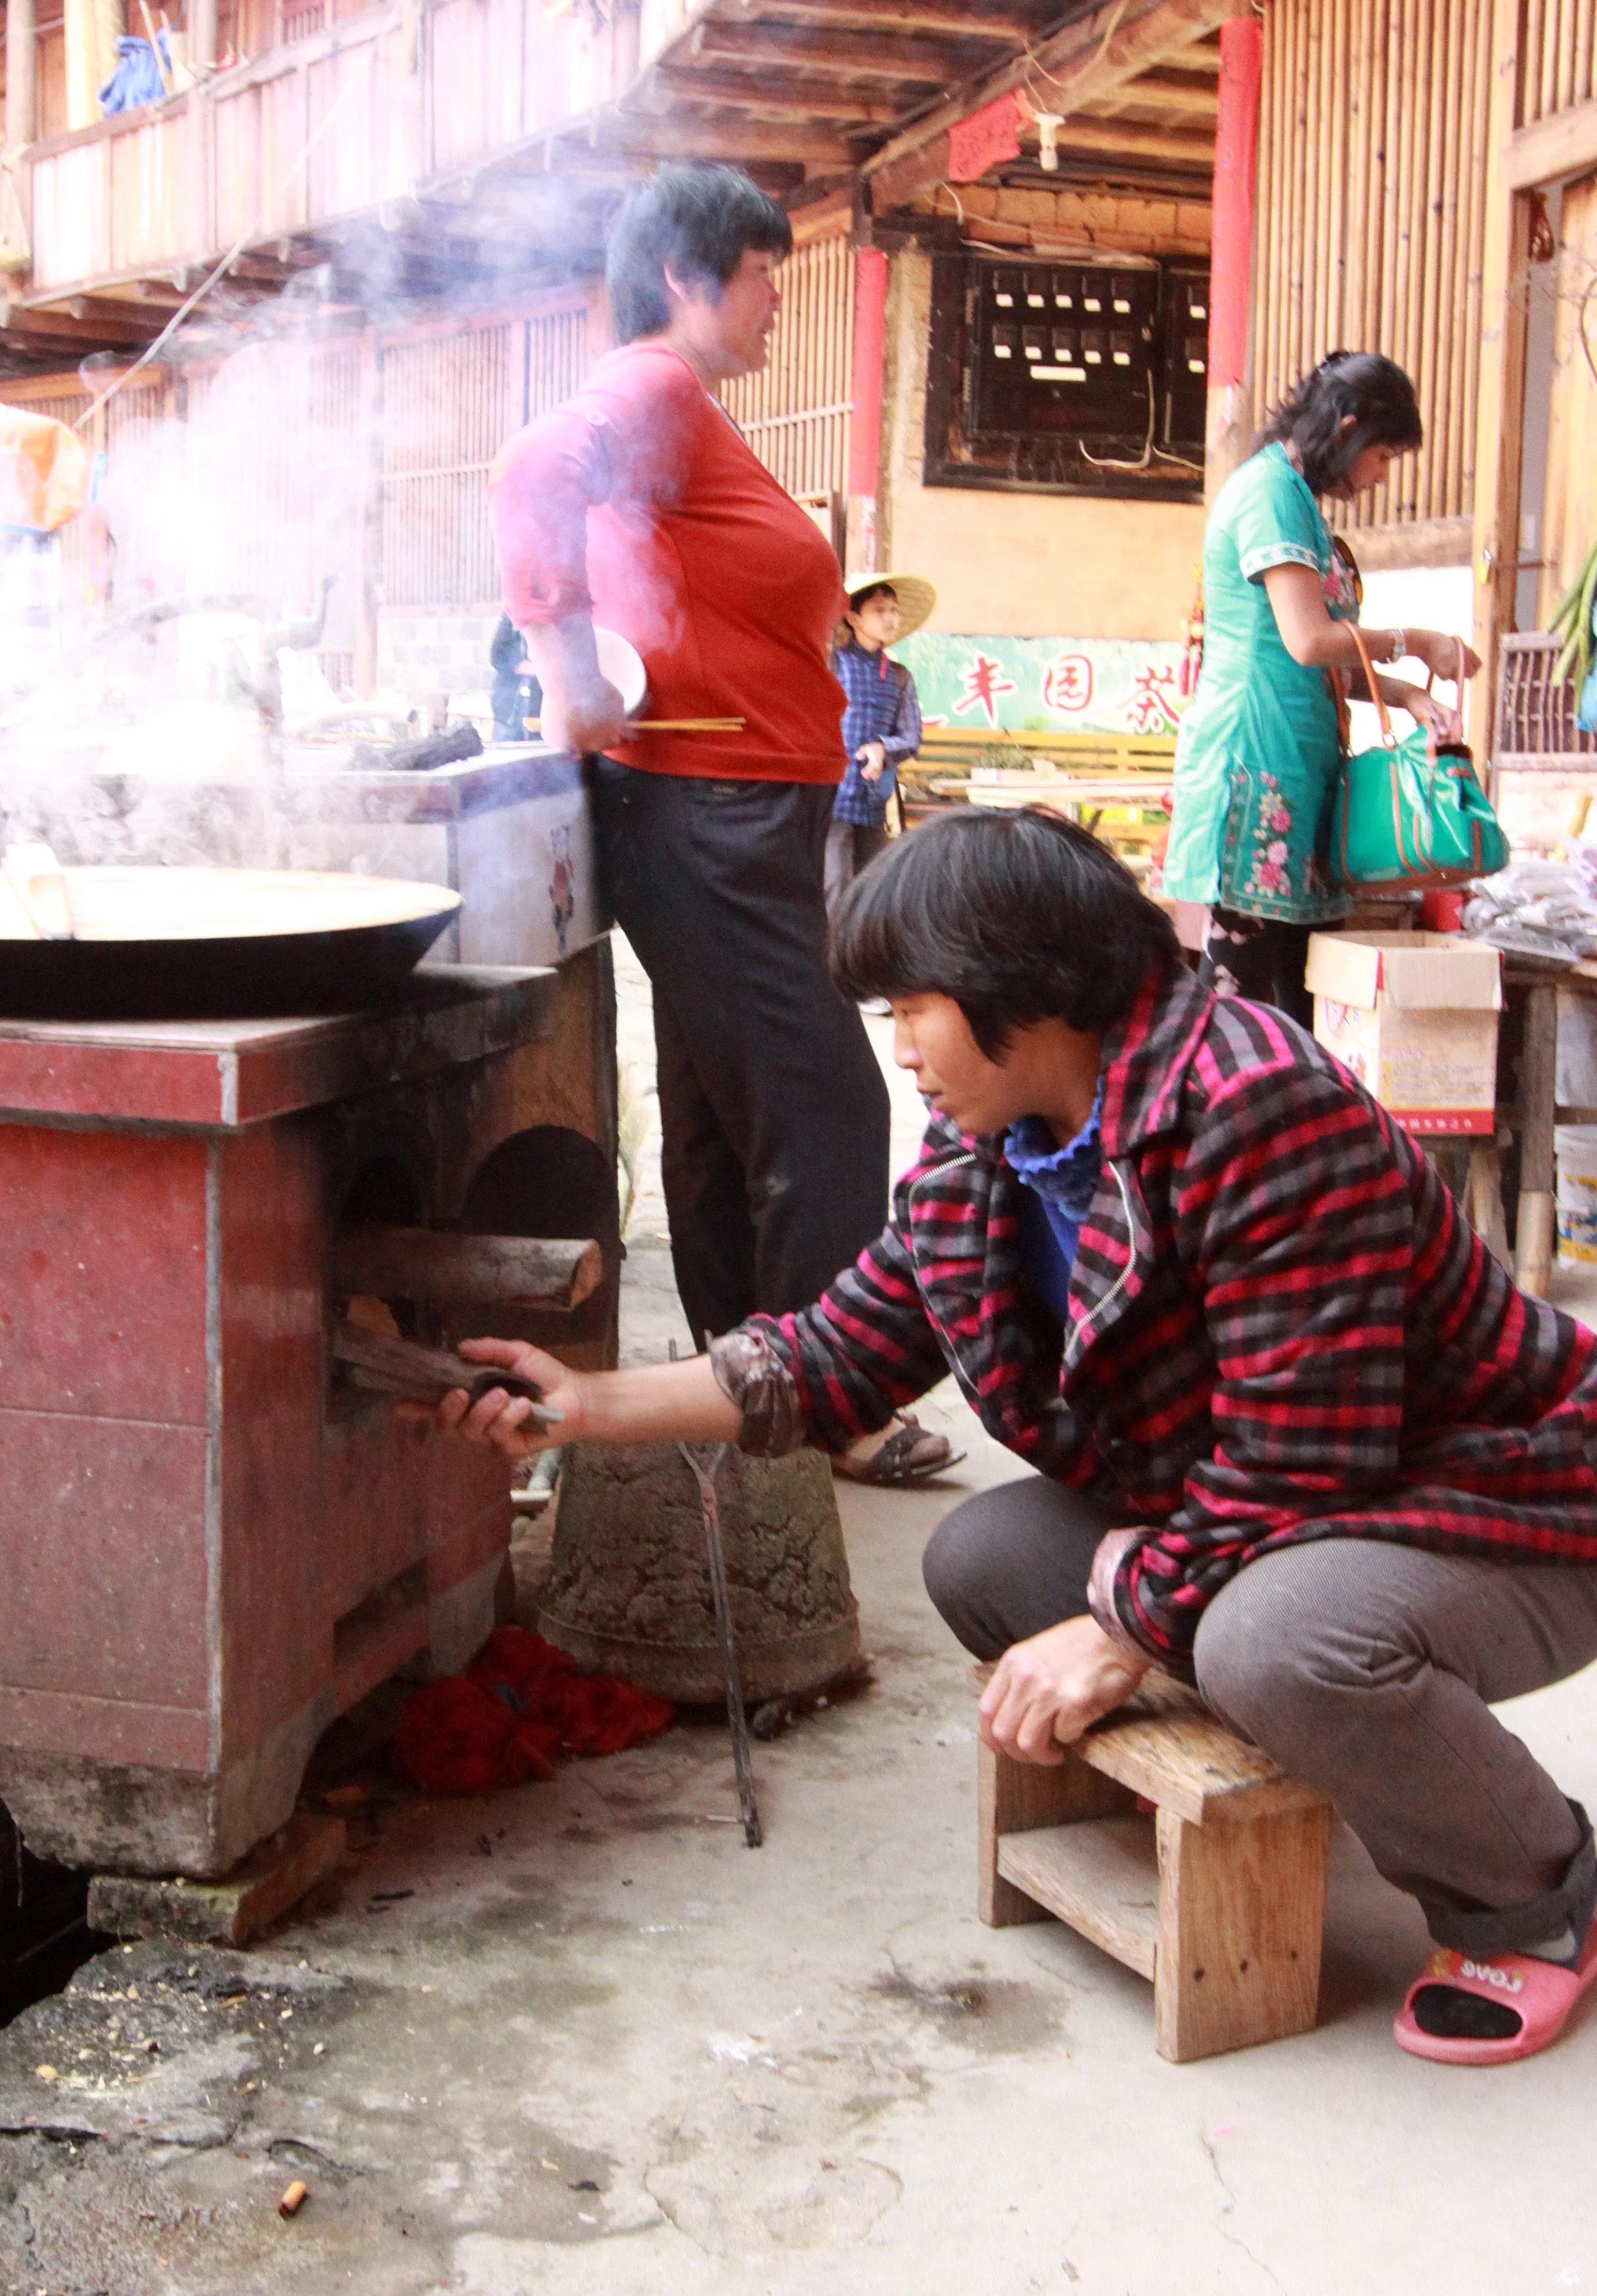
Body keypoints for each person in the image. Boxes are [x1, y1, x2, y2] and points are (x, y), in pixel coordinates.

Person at [433, 808, 1597, 2068]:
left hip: (1498, 1504)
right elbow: (834, 1353)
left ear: (1020, 988)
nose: (901, 1050)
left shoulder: (1257, 1107)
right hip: (1285, 1517)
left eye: (912, 1010)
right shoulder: (994, 1144)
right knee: (985, 1559)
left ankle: (1533, 1897)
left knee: (1278, 1643)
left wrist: (1121, 1628)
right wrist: (584, 1405)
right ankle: (1337, 1740)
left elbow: (1302, 1463)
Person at [489, 162, 891, 1355]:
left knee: (723, 1105)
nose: (777, 298)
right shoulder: (657, 382)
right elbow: (534, 470)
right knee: (826, 1107)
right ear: (683, 277)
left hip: (720, 811)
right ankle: (823, 1394)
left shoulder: (682, 410)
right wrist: (569, 676)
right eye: (763, 273)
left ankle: (743, 1371)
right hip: (711, 811)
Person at [1161, 351, 1482, 1024]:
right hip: (1254, 770)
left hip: (1303, 779)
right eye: (1382, 455)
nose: (1380, 475)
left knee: (1304, 1020)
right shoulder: (1269, 492)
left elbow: (1325, 661)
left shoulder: (1299, 502)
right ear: (1347, 426)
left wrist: (1405, 694)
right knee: (1237, 1017)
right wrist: (1418, 641)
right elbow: (1308, 639)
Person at [824, 572, 932, 917]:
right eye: (879, 610)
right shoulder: (832, 665)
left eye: (893, 610)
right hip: (830, 800)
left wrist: (883, 748)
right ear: (853, 617)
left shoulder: (900, 676)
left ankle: (861, 951)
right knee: (835, 888)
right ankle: (833, 952)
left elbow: (911, 737)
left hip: (872, 801)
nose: (890, 618)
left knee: (873, 891)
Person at [489, 614, 541, 743]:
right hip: (510, 714)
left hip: (541, 715)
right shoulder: (512, 615)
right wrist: (541, 670)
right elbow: (498, 656)